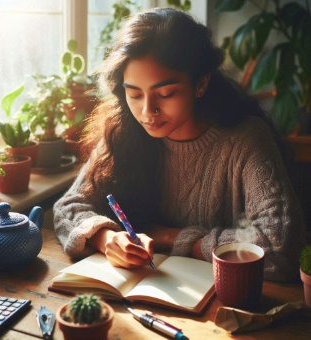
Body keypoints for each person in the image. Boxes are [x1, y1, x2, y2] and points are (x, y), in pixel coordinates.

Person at [54, 8, 305, 282]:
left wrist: (171, 238)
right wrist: (106, 237)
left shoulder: (245, 138)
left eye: (165, 93)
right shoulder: (122, 128)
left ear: (201, 83)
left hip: (224, 302)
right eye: (134, 93)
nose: (148, 111)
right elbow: (68, 207)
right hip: (136, 297)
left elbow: (281, 247)